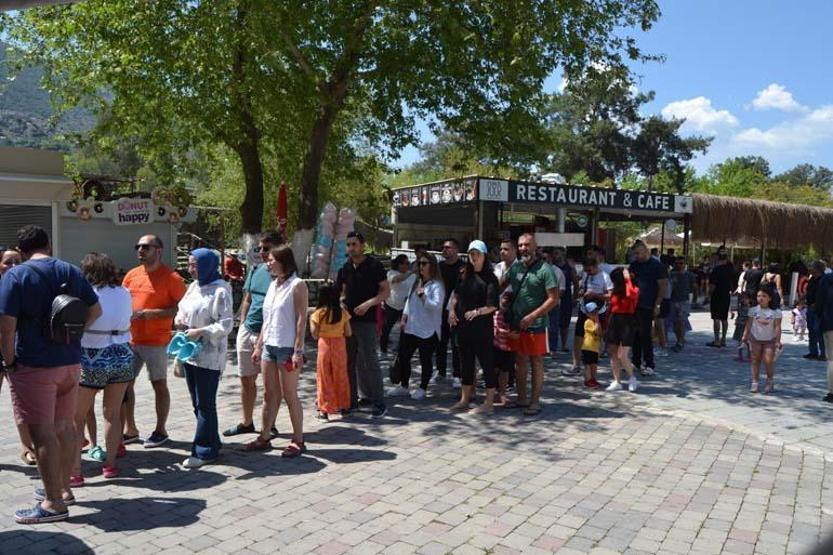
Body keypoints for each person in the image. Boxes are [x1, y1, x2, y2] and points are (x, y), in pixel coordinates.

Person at [0, 225, 102, 524]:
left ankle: (53, 503)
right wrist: (71, 335)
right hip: (69, 361)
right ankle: (65, 490)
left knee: (42, 434)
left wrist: (8, 362)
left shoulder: (16, 276)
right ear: (49, 245)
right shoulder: (70, 271)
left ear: (21, 251)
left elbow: (6, 327)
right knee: (65, 427)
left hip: (34, 365)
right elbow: (95, 311)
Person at [71, 253, 135, 481]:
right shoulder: (125, 292)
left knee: (76, 417)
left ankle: (75, 472)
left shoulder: (86, 294)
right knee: (113, 414)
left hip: (92, 354)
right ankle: (109, 466)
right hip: (122, 354)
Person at [122, 234, 186, 448]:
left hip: (156, 342)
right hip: (130, 340)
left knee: (158, 384)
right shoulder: (132, 275)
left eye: (146, 247)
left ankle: (161, 430)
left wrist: (154, 313)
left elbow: (182, 309)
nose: (140, 250)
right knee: (123, 385)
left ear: (158, 250)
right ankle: (130, 429)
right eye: (137, 246)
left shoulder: (172, 278)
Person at [248, 245, 309, 455]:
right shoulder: (274, 284)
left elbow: (302, 319)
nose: (268, 262)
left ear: (283, 261)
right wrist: (259, 346)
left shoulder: (297, 285)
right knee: (269, 394)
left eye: (271, 259)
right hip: (269, 346)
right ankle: (264, 436)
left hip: (287, 347)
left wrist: (298, 350)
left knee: (290, 394)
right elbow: (268, 318)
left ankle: (298, 440)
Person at [226, 231, 280, 439]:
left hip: (268, 335)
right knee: (246, 379)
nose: (262, 253)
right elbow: (248, 298)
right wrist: (242, 323)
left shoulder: (282, 275)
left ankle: (270, 424)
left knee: (270, 385)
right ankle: (247, 422)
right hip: (247, 330)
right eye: (260, 249)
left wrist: (263, 335)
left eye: (266, 248)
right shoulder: (256, 269)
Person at [505, 234, 559, 416]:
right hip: (517, 324)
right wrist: (504, 298)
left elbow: (554, 299)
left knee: (536, 361)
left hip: (537, 324)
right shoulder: (516, 267)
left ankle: (535, 402)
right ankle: (521, 398)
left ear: (535, 246)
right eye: (520, 245)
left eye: (527, 245)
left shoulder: (546, 270)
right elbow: (503, 285)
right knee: (519, 361)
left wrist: (533, 315)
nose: (523, 249)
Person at [336, 232, 389, 418]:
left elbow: (386, 292)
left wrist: (368, 304)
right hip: (348, 322)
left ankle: (379, 401)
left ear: (362, 245)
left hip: (367, 322)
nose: (351, 248)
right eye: (348, 244)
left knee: (370, 361)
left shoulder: (374, 265)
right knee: (349, 362)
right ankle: (351, 401)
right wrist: (341, 302)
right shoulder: (344, 268)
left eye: (354, 244)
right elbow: (341, 293)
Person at [448, 240, 499, 413]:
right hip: (463, 329)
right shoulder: (463, 274)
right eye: (471, 254)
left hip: (482, 330)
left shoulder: (490, 278)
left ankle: (489, 403)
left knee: (487, 364)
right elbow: (456, 295)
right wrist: (452, 311)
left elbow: (493, 305)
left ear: (484, 255)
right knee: (466, 364)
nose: (474, 257)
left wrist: (477, 312)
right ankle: (464, 399)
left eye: (477, 254)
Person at [0, 248, 38, 466]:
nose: (13, 265)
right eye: (8, 262)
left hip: (19, 350)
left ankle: (27, 446)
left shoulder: (26, 286)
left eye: (17, 261)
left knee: (22, 402)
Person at [390, 253, 444, 401]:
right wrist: (404, 317)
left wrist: (423, 297)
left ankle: (422, 388)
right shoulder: (416, 281)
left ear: (432, 266)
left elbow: (436, 307)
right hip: (411, 326)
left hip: (428, 329)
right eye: (419, 263)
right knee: (404, 356)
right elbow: (409, 301)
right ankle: (404, 386)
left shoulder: (437, 285)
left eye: (424, 263)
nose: (421, 266)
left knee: (425, 359)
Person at [563, 256, 612, 376]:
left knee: (596, 336)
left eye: (590, 270)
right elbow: (581, 286)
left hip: (598, 311)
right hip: (584, 309)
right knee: (578, 336)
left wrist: (595, 295)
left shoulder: (605, 277)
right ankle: (576, 364)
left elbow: (610, 295)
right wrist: (580, 291)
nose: (588, 272)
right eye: (586, 270)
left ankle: (593, 363)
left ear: (596, 266)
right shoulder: (586, 275)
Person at [309, 284, 352, 420]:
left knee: (324, 376)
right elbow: (349, 332)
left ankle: (324, 409)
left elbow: (314, 334)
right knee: (341, 375)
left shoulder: (318, 313)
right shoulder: (342, 312)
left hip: (324, 344)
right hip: (340, 344)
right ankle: (343, 406)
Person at [628, 240, 668, 376]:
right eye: (635, 254)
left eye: (638, 253)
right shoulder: (633, 265)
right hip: (634, 304)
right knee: (635, 334)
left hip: (648, 304)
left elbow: (663, 286)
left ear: (646, 251)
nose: (636, 256)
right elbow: (629, 283)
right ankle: (636, 361)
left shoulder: (657, 266)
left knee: (646, 335)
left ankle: (649, 364)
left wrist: (657, 304)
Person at [741, 288, 782, 394]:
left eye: (764, 296)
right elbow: (749, 324)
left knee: (768, 360)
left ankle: (769, 380)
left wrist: (778, 340)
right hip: (755, 338)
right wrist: (745, 336)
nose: (761, 298)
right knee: (755, 360)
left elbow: (777, 327)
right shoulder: (753, 310)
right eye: (759, 296)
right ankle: (755, 382)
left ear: (770, 298)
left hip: (770, 340)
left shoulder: (776, 312)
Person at [437, 238, 465, 387]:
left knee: (456, 344)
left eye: (448, 247)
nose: (445, 250)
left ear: (456, 249)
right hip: (439, 310)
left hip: (456, 311)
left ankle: (457, 375)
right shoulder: (439, 266)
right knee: (440, 342)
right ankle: (440, 371)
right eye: (443, 247)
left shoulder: (463, 267)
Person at [605, 267, 639, 392]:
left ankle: (632, 378)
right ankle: (617, 381)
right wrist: (605, 324)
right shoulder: (616, 291)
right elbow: (611, 308)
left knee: (622, 355)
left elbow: (630, 294)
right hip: (614, 320)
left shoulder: (634, 289)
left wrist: (627, 279)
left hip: (627, 321)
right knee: (613, 353)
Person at [381, 254, 415, 354]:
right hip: (392, 305)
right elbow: (397, 279)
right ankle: (383, 346)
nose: (407, 265)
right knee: (387, 327)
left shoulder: (412, 275)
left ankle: (401, 348)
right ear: (399, 264)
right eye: (406, 263)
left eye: (408, 263)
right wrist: (411, 272)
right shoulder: (391, 273)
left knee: (404, 328)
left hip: (405, 307)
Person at [552, 247, 578, 352]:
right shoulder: (550, 267)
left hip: (566, 296)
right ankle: (552, 344)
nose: (555, 255)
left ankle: (563, 344)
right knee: (553, 322)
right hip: (553, 295)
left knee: (565, 322)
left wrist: (574, 298)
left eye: (557, 253)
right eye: (554, 253)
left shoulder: (569, 267)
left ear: (563, 254)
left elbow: (576, 282)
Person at [668, 257, 697, 351]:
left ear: (685, 264)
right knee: (675, 322)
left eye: (681, 263)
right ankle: (679, 339)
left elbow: (695, 287)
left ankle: (680, 341)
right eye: (677, 263)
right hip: (672, 300)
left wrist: (695, 299)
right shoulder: (671, 274)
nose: (679, 265)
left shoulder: (690, 275)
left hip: (684, 300)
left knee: (681, 320)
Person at [707, 253, 735, 347]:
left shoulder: (716, 270)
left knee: (716, 318)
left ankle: (717, 340)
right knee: (724, 318)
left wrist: (709, 294)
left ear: (718, 259)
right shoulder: (730, 270)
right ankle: (723, 339)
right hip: (726, 295)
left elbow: (712, 285)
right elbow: (734, 283)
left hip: (716, 295)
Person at [805, 261, 827, 361]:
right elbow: (808, 291)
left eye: (812, 267)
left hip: (820, 309)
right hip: (810, 307)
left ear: (817, 269)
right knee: (811, 330)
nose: (810, 269)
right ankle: (813, 352)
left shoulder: (825, 279)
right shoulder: (812, 279)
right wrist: (801, 299)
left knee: (819, 331)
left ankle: (823, 353)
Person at [817, 269, 833, 403]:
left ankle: (832, 391)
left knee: (832, 360)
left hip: (830, 324)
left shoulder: (826, 279)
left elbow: (819, 302)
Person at [580, 303, 602, 389]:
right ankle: (587, 380)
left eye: (596, 312)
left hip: (594, 348)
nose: (595, 315)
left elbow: (600, 334)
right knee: (587, 365)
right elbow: (595, 331)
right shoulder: (588, 322)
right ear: (588, 314)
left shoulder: (596, 322)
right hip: (588, 347)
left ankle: (593, 379)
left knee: (594, 365)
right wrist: (597, 322)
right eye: (593, 313)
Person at [733, 292, 753, 362]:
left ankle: (750, 355)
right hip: (739, 325)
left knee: (748, 341)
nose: (744, 300)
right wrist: (736, 320)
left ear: (750, 300)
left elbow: (750, 319)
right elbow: (738, 315)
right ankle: (740, 355)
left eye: (746, 298)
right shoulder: (740, 307)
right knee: (739, 341)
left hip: (746, 327)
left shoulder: (750, 309)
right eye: (743, 298)